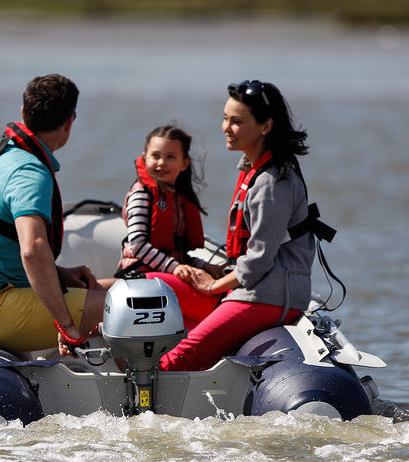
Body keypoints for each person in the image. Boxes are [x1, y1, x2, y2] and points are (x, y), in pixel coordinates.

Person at [159, 80, 318, 371]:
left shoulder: (272, 183)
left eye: (237, 121)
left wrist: (214, 286)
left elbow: (259, 259)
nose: (225, 128)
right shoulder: (254, 170)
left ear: (265, 127)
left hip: (268, 295)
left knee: (176, 358)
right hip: (256, 288)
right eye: (225, 118)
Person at [0, 74, 105, 357]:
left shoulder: (2, 155)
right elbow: (32, 250)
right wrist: (65, 324)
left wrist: (60, 274)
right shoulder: (30, 172)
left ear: (23, 113)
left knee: (118, 288)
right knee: (132, 307)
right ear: (70, 123)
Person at [113, 124, 223, 326]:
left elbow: (177, 253)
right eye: (155, 156)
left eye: (171, 157)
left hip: (165, 273)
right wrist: (174, 268)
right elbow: (137, 245)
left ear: (184, 163)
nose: (162, 163)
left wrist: (203, 265)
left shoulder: (178, 199)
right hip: (142, 277)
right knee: (215, 306)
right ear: (144, 158)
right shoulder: (141, 193)